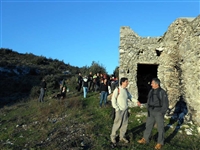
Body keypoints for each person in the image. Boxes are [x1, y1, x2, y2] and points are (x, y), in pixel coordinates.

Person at [137, 78, 169, 150]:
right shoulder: (151, 91)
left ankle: (160, 143)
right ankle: (145, 139)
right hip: (151, 111)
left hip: (158, 112)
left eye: (152, 83)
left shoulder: (162, 92)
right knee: (148, 125)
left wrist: (162, 112)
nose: (151, 84)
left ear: (156, 84)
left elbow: (165, 104)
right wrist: (148, 108)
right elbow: (148, 100)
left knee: (160, 128)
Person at [110, 77, 133, 144]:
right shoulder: (117, 90)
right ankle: (113, 138)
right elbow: (113, 100)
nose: (127, 83)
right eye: (126, 81)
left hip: (125, 110)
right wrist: (117, 109)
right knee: (117, 124)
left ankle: (122, 137)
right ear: (122, 82)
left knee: (124, 124)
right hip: (119, 110)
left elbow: (130, 97)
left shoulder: (126, 90)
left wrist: (136, 101)